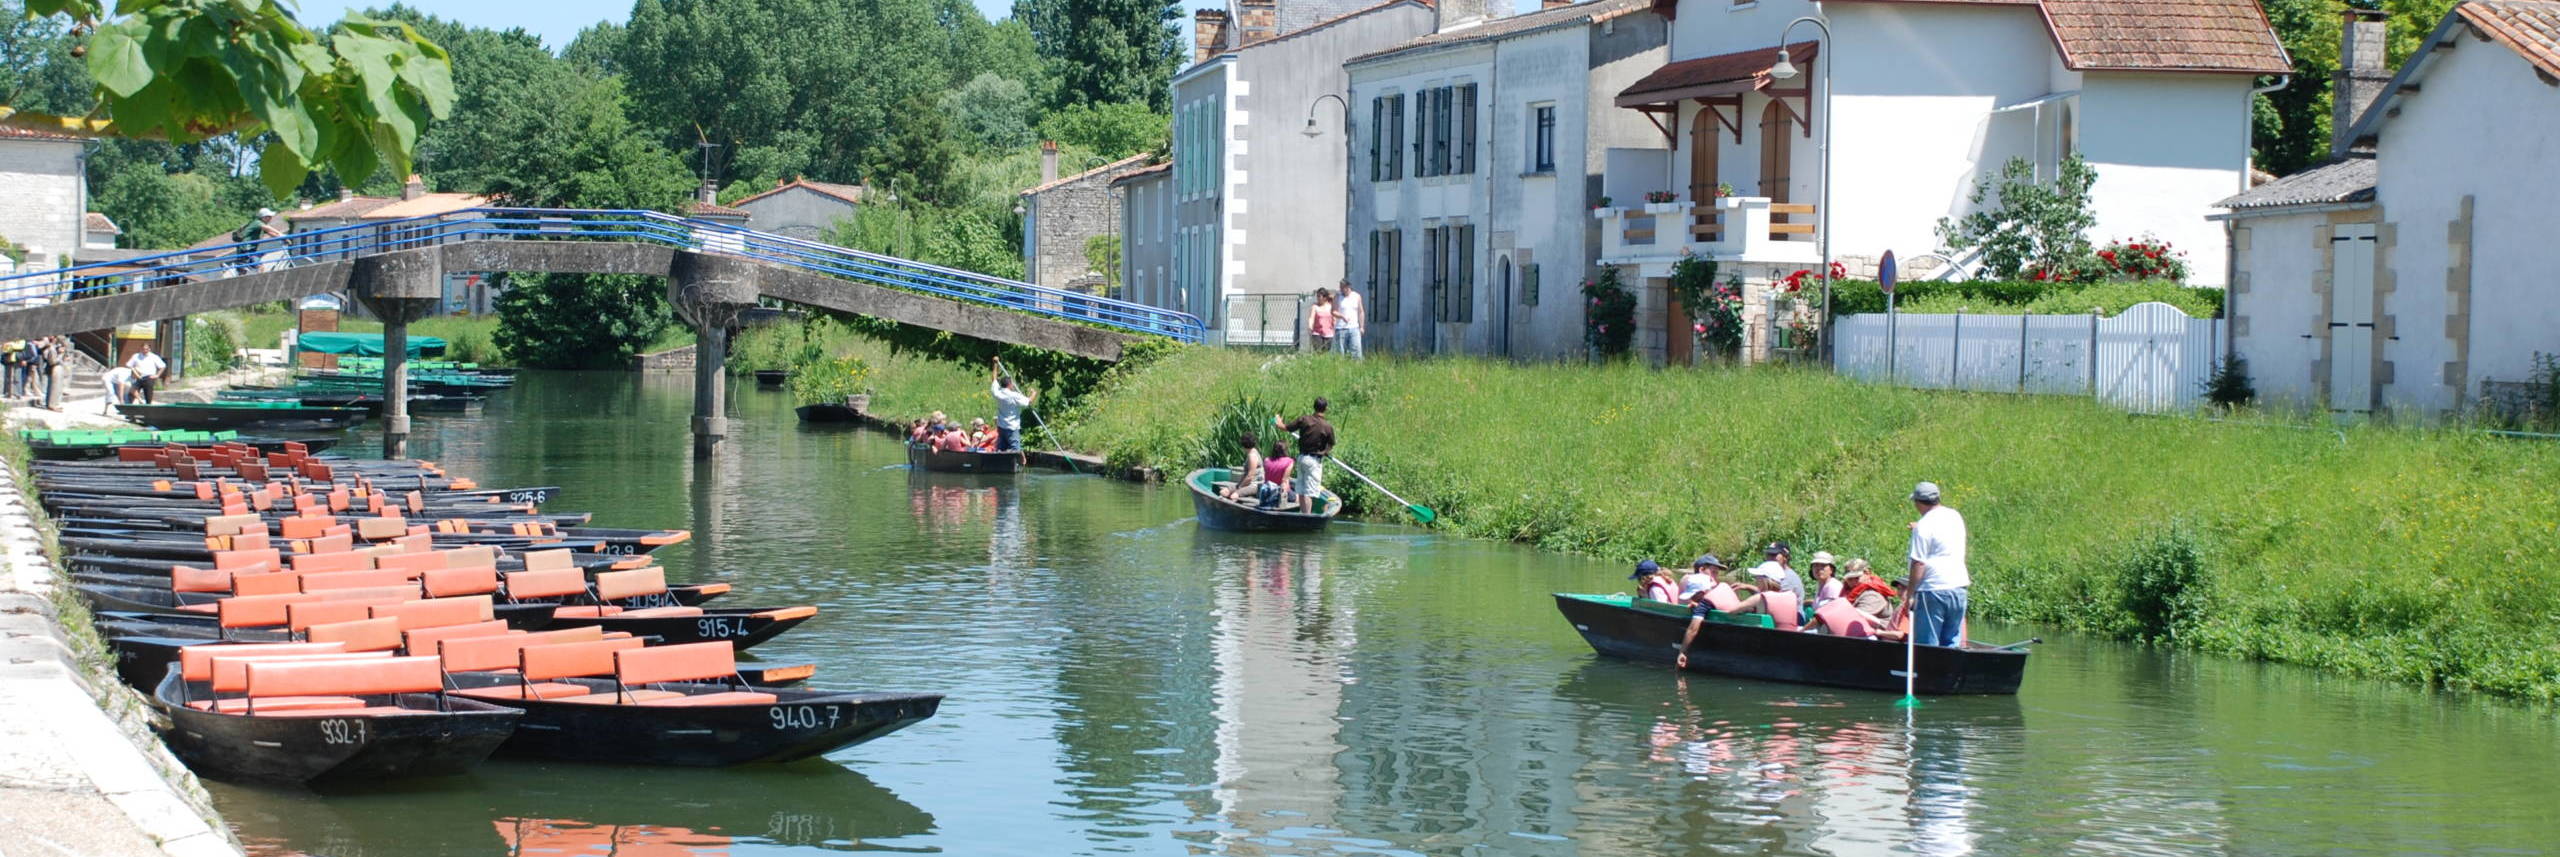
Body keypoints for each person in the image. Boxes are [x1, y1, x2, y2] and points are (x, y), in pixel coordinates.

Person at [1900, 481, 1970, 648]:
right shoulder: (1954, 515)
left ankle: (1929, 673)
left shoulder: (1923, 526)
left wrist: (1910, 594)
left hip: (1933, 590)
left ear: (1918, 502)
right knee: (1951, 641)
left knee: (1927, 645)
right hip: (1958, 587)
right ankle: (1948, 673)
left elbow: (1919, 563)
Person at [1275, 398, 1335, 515]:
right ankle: (1306, 517)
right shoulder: (1327, 427)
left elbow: (1284, 427)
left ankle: (1303, 514)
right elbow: (1331, 444)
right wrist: (1325, 451)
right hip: (1314, 461)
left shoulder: (1304, 419)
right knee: (1309, 492)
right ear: (1326, 409)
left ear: (1314, 407)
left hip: (1301, 459)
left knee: (1301, 491)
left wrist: (1278, 420)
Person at [990, 358, 1036, 452]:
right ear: (1009, 385)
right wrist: (1033, 393)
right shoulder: (1014, 395)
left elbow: (994, 379)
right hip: (1012, 427)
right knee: (1015, 449)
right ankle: (1015, 465)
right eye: (1012, 384)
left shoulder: (997, 392)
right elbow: (1028, 402)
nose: (1013, 385)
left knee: (1001, 449)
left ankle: (1000, 464)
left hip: (1001, 426)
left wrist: (995, 364)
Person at [1839, 559, 1898, 625]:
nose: (1853, 582)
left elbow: (1855, 620)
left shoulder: (1872, 595)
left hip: (1879, 633)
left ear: (1867, 574)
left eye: (1857, 578)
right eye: (1850, 579)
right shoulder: (1847, 591)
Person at [1222, 432, 1265, 501]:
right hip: (1246, 484)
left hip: (1254, 485)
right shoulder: (1250, 453)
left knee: (1234, 496)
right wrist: (1238, 486)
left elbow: (1250, 477)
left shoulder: (1252, 456)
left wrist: (1239, 487)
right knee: (1224, 492)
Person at [1256, 438, 1294, 509]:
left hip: (1267, 490)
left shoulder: (1266, 460)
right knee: (1297, 497)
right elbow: (1284, 481)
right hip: (1279, 491)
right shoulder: (1289, 461)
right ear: (1285, 450)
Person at [1332, 280, 1365, 359]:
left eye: (1342, 287)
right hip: (1341, 328)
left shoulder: (1357, 296)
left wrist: (1361, 327)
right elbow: (1333, 311)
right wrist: (1342, 317)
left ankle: (1356, 367)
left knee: (1356, 350)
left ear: (1348, 287)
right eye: (1340, 287)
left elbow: (1361, 312)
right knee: (1340, 352)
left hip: (1354, 328)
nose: (1340, 289)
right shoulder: (1337, 297)